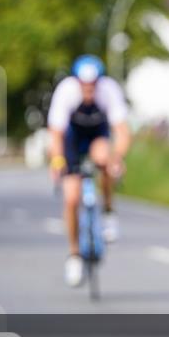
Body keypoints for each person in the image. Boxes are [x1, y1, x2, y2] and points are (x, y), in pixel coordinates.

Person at [46, 55, 130, 287]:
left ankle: (109, 211)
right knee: (72, 198)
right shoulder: (66, 92)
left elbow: (122, 131)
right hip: (72, 139)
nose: (89, 90)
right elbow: (55, 133)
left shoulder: (109, 91)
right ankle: (74, 254)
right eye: (85, 85)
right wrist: (57, 161)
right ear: (77, 82)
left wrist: (118, 158)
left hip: (97, 136)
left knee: (105, 159)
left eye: (93, 85)